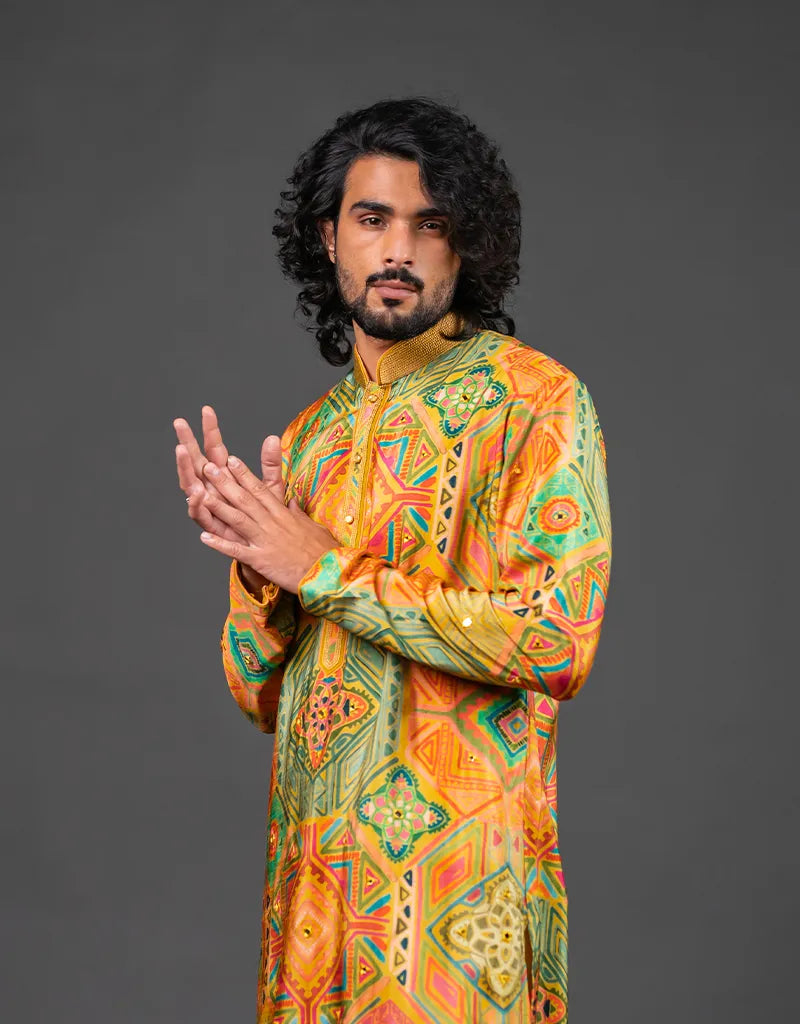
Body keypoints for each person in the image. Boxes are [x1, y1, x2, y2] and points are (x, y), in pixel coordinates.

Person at [173, 97, 612, 1024]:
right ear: (329, 239)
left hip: (457, 895)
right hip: (313, 893)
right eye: (372, 220)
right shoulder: (311, 439)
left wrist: (326, 570)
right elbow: (256, 692)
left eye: (431, 223)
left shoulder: (534, 401)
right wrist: (260, 571)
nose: (399, 249)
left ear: (469, 245)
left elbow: (554, 641)